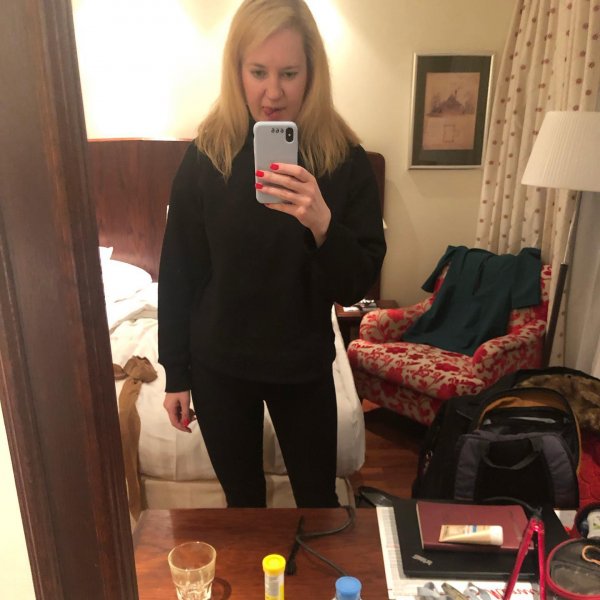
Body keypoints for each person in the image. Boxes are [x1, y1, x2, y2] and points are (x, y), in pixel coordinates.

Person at [158, 0, 386, 508]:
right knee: (243, 505)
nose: (273, 92)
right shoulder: (207, 156)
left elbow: (358, 283)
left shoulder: (342, 159)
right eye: (258, 72)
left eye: (289, 73)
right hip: (219, 365)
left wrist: (322, 223)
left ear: (312, 73)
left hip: (302, 364)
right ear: (236, 70)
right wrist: (175, 372)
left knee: (319, 503)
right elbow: (178, 271)